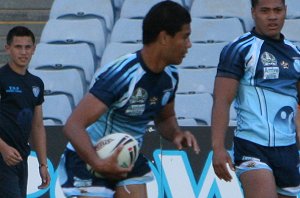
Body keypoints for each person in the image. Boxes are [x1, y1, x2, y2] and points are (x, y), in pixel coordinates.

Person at [58, 1, 200, 198]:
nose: (189, 44)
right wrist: (98, 162)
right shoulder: (122, 76)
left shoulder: (171, 77)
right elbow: (73, 125)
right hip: (88, 158)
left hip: (126, 157)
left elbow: (165, 119)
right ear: (164, 37)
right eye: (185, 37)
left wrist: (176, 133)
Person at [211, 0, 300, 197]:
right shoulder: (239, 49)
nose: (272, 16)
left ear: (285, 11)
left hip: (287, 151)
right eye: (265, 11)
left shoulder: (295, 54)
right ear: (253, 12)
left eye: (277, 10)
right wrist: (218, 147)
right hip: (252, 146)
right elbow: (221, 100)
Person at [0, 26, 51, 197]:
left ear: (34, 49)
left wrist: (42, 164)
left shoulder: (36, 83)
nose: (23, 52)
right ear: (8, 48)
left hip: (20, 159)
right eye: (18, 47)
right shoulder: (1, 78)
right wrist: (3, 148)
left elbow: (37, 126)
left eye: (27, 47)